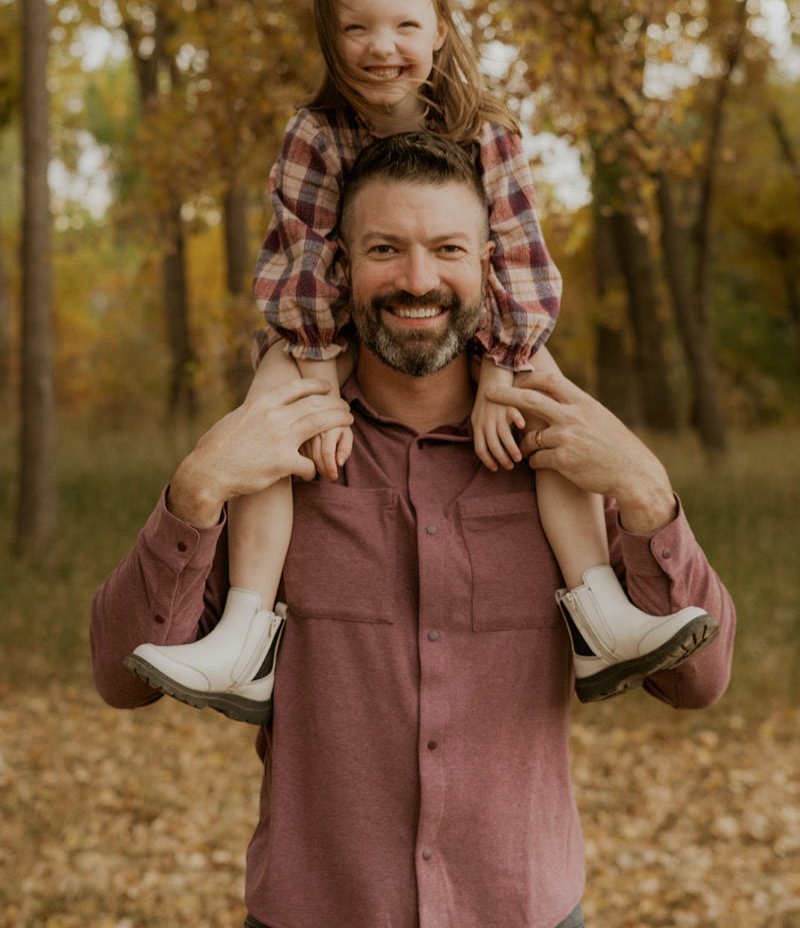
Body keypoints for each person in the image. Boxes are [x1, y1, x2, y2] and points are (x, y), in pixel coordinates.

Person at [91, 133, 736, 928]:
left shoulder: (557, 461)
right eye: (385, 249)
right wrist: (194, 491)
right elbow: (120, 677)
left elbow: (698, 681)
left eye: (448, 248)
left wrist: (646, 489)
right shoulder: (277, 457)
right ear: (341, 266)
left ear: (489, 266)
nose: (419, 279)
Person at [123, 0, 717, 722]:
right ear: (330, 35)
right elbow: (303, 261)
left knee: (550, 408)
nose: (382, 46)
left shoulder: (486, 132)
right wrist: (316, 383)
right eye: (357, 27)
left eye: (404, 24)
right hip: (329, 326)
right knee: (271, 419)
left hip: (483, 321)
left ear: (439, 27)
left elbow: (519, 257)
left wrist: (504, 369)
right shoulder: (315, 134)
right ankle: (245, 630)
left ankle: (601, 608)